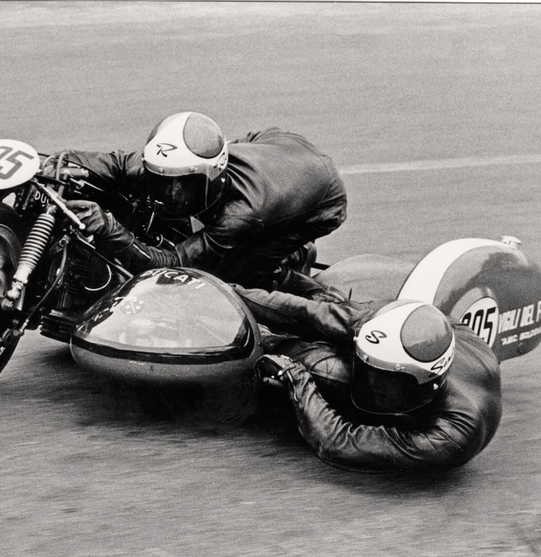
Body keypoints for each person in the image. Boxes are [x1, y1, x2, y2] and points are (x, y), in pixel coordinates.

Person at [50, 111, 347, 290]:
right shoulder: (168, 165)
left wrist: (112, 229)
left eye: (184, 186)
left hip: (323, 198)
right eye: (161, 180)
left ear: (212, 177)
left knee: (233, 276)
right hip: (274, 142)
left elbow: (175, 263)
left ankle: (295, 261)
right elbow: (113, 164)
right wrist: (50, 164)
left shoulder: (238, 215)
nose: (170, 195)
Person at [235, 279, 502, 471]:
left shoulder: (451, 436)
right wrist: (233, 294)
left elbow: (337, 443)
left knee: (326, 370)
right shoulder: (386, 323)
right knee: (327, 317)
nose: (370, 383)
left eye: (384, 379)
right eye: (366, 369)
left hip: (429, 414)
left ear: (425, 383)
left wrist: (294, 375)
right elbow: (306, 315)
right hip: (394, 316)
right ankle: (293, 279)